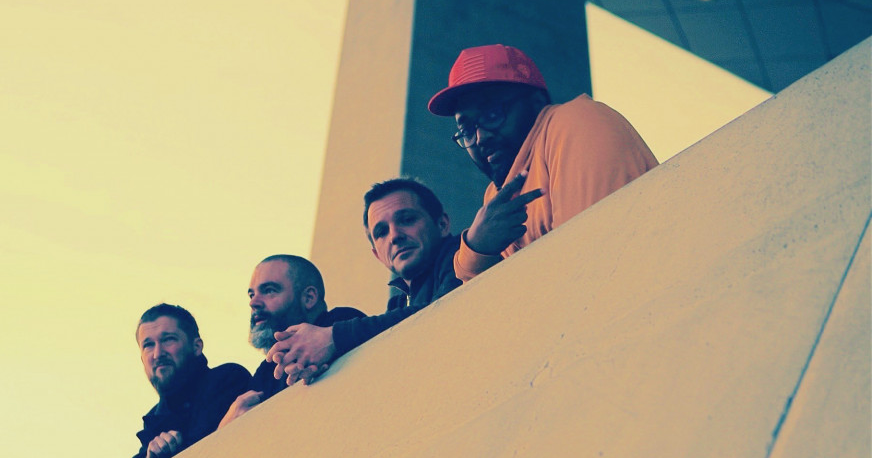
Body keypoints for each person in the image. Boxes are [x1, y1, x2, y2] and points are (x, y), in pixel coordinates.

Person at [427, 44, 658, 281]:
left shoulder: (575, 124)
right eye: (466, 129)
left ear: (536, 103)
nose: (480, 138)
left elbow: (595, 267)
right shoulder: (496, 195)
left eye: (492, 114)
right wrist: (476, 250)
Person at [268, 178, 461, 385]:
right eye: (381, 232)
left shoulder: (463, 253)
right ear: (377, 254)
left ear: (442, 224)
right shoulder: (397, 304)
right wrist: (324, 365)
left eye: (407, 220)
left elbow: (446, 309)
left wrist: (332, 337)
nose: (394, 236)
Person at [95, 304, 251, 458]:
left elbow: (202, 452)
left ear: (196, 346)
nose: (158, 353)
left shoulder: (227, 378)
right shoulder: (155, 418)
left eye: (168, 340)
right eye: (148, 345)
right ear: (142, 359)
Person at [220, 255, 365, 425]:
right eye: (252, 294)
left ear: (309, 298)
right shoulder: (266, 371)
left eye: (269, 290)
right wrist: (226, 427)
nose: (253, 303)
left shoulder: (342, 322)